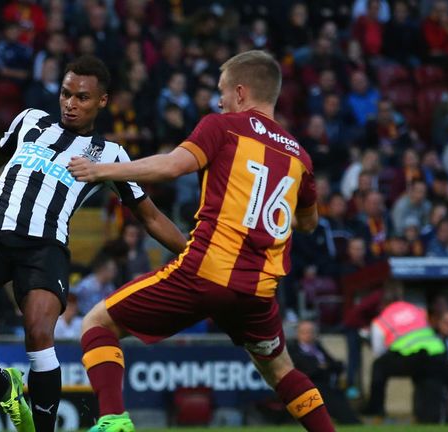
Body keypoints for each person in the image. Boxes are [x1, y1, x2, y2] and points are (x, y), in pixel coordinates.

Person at [68, 50, 335, 432]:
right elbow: (308, 222)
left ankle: (113, 420)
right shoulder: (300, 157)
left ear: (240, 92)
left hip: (206, 273)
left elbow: (172, 166)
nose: (219, 101)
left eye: (222, 92)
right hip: (258, 291)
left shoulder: (223, 127)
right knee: (280, 369)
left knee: (97, 323)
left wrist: (101, 170)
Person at [0, 55, 187, 432]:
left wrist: (195, 254)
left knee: (39, 332)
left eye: (82, 97)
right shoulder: (30, 120)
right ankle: (2, 383)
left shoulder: (110, 155)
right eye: (65, 93)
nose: (70, 103)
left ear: (102, 101)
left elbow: (151, 217)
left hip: (44, 248)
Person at [364, 286, 446, 422]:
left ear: (382, 304)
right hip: (436, 351)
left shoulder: (381, 319)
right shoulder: (415, 309)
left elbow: (378, 351)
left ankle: (375, 409)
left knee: (378, 366)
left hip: (409, 355)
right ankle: (430, 417)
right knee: (427, 381)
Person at [288, 321, 361, 424]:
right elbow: (308, 369)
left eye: (311, 332)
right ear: (298, 334)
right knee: (328, 396)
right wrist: (323, 367)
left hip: (326, 383)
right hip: (309, 386)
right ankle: (349, 421)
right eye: (304, 332)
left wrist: (325, 367)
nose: (308, 335)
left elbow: (335, 365)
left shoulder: (318, 348)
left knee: (339, 394)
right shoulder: (293, 349)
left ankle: (351, 421)